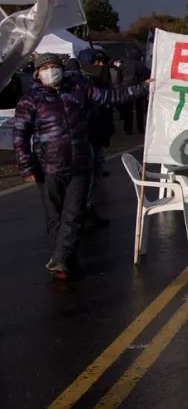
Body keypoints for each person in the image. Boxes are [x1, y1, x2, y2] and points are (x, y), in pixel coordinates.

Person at [12, 52, 149, 279]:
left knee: (74, 214)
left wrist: (142, 88)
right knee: (55, 217)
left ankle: (60, 259)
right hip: (48, 168)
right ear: (37, 74)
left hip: (79, 163)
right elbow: (20, 136)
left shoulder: (78, 89)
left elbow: (112, 96)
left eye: (54, 66)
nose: (50, 71)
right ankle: (65, 261)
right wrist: (26, 167)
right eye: (45, 68)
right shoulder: (29, 101)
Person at [80, 50, 116, 227]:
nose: (101, 65)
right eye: (96, 61)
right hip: (86, 137)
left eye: (102, 61)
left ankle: (88, 209)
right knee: (87, 177)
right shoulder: (82, 84)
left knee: (96, 175)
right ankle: (83, 212)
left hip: (99, 135)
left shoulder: (104, 82)